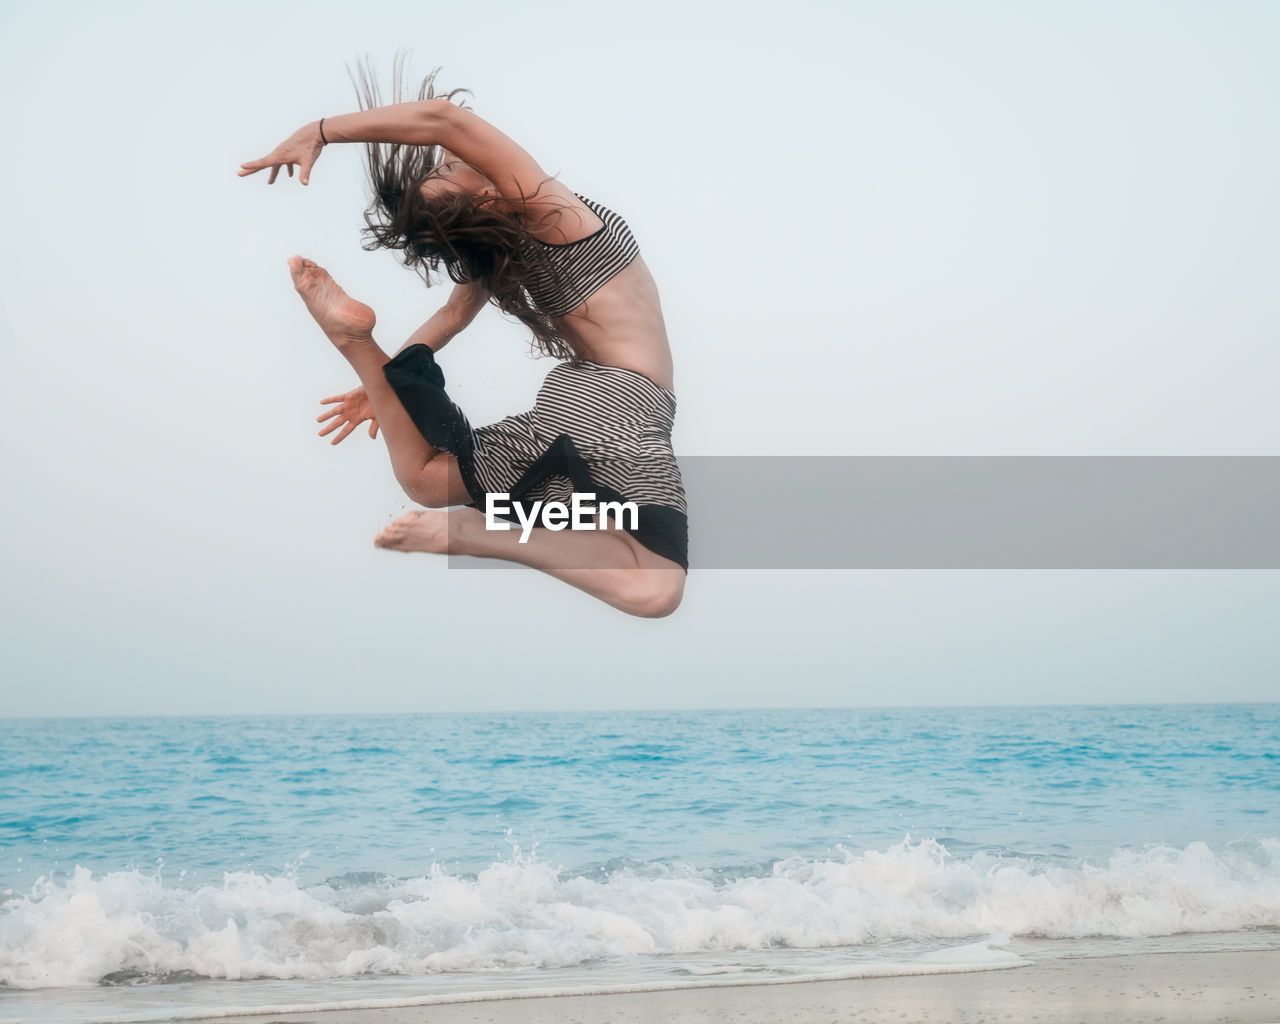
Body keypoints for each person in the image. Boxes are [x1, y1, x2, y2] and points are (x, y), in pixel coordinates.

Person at [239, 71, 686, 617]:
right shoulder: (553, 213)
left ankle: (354, 342)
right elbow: (446, 121)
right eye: (451, 166)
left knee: (427, 481)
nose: (448, 158)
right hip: (624, 404)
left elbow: (452, 314)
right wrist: (321, 130)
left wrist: (377, 385)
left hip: (576, 400)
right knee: (656, 589)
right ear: (491, 194)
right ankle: (476, 537)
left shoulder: (510, 248)